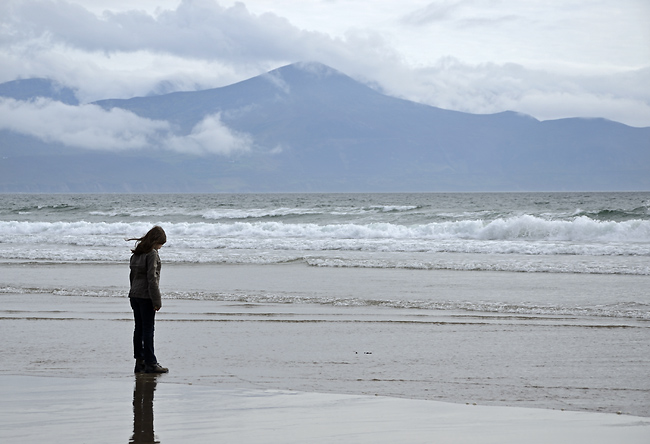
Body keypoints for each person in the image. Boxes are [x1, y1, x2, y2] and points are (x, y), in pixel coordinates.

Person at [127, 226, 169, 374]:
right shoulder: (152, 254)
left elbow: (132, 277)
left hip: (134, 295)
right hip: (146, 296)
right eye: (160, 244)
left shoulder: (137, 254)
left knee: (138, 328)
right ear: (155, 241)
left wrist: (132, 292)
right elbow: (152, 279)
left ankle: (140, 362)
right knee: (148, 329)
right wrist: (157, 301)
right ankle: (151, 362)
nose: (160, 247)